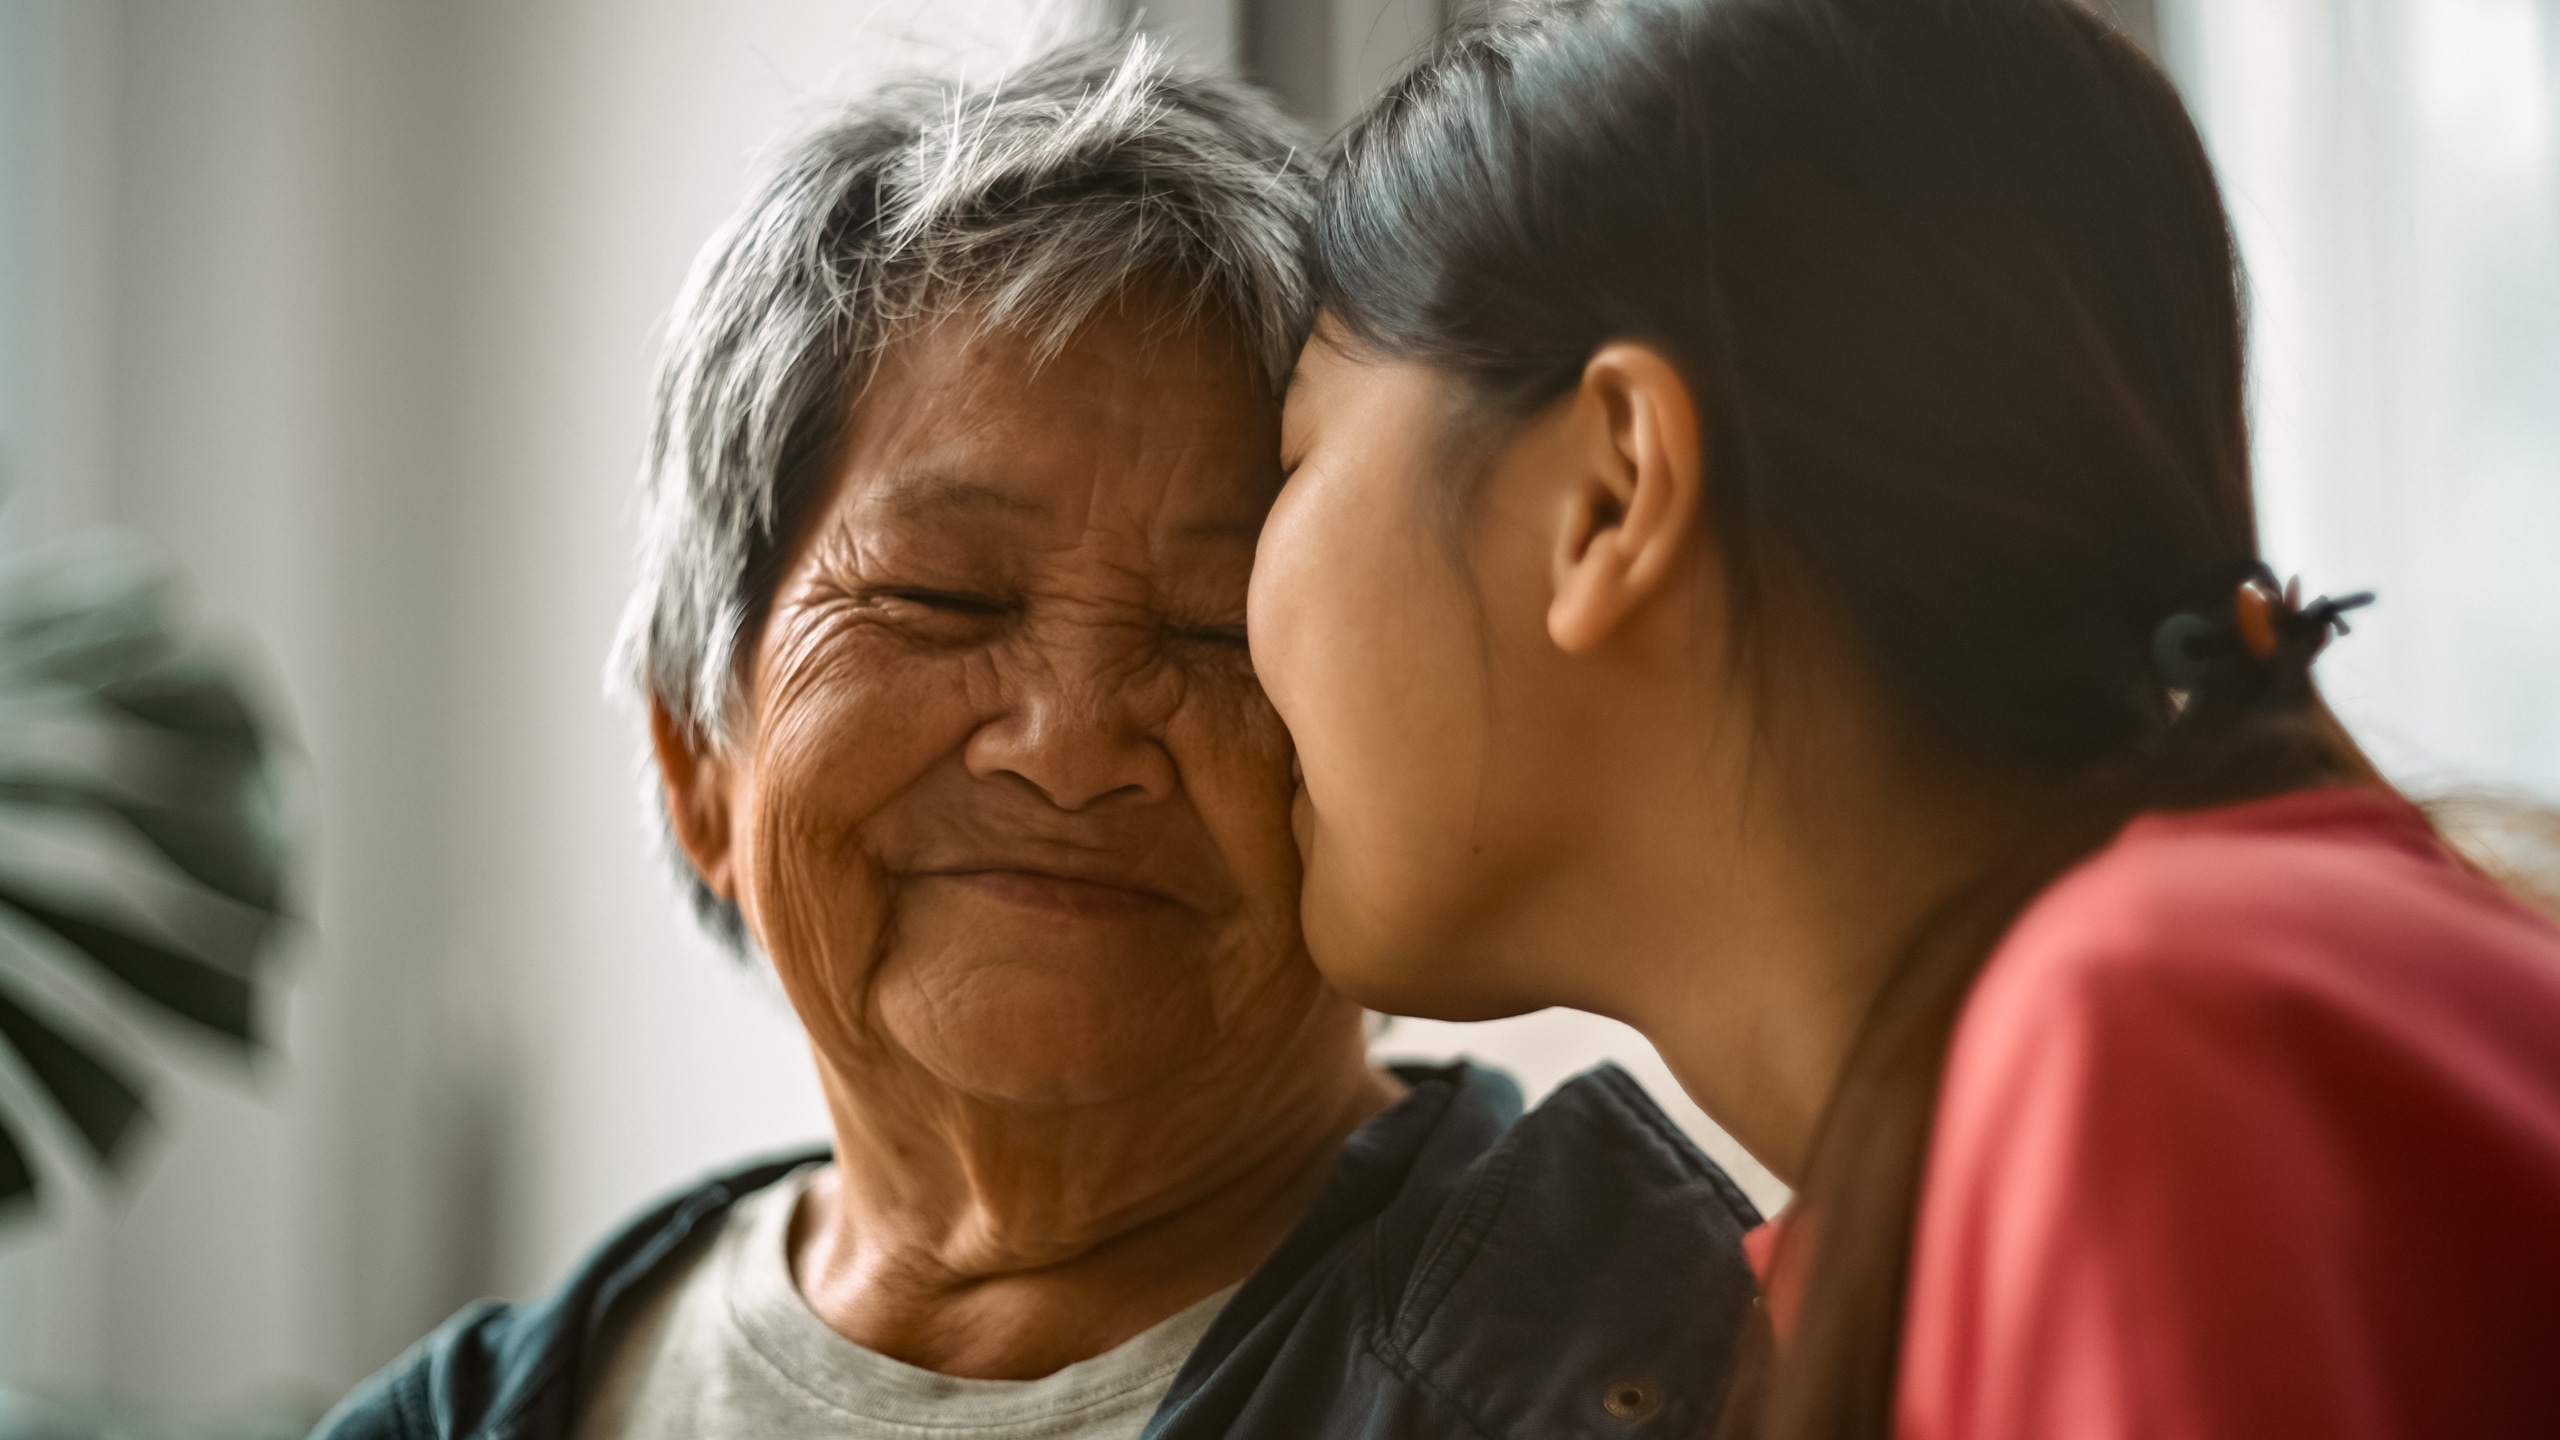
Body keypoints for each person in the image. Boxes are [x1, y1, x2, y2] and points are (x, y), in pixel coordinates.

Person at [311, 34, 1761, 1440]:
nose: (1070, 745)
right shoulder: (471, 1418)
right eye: (940, 597)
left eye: (1216, 633)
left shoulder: (1680, 1362)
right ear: (702, 757)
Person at [1246, 1, 2560, 1437]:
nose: (1221, 608)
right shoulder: (1984, 1166)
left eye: (1294, 450)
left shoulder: (2140, 1044)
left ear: (1609, 497)